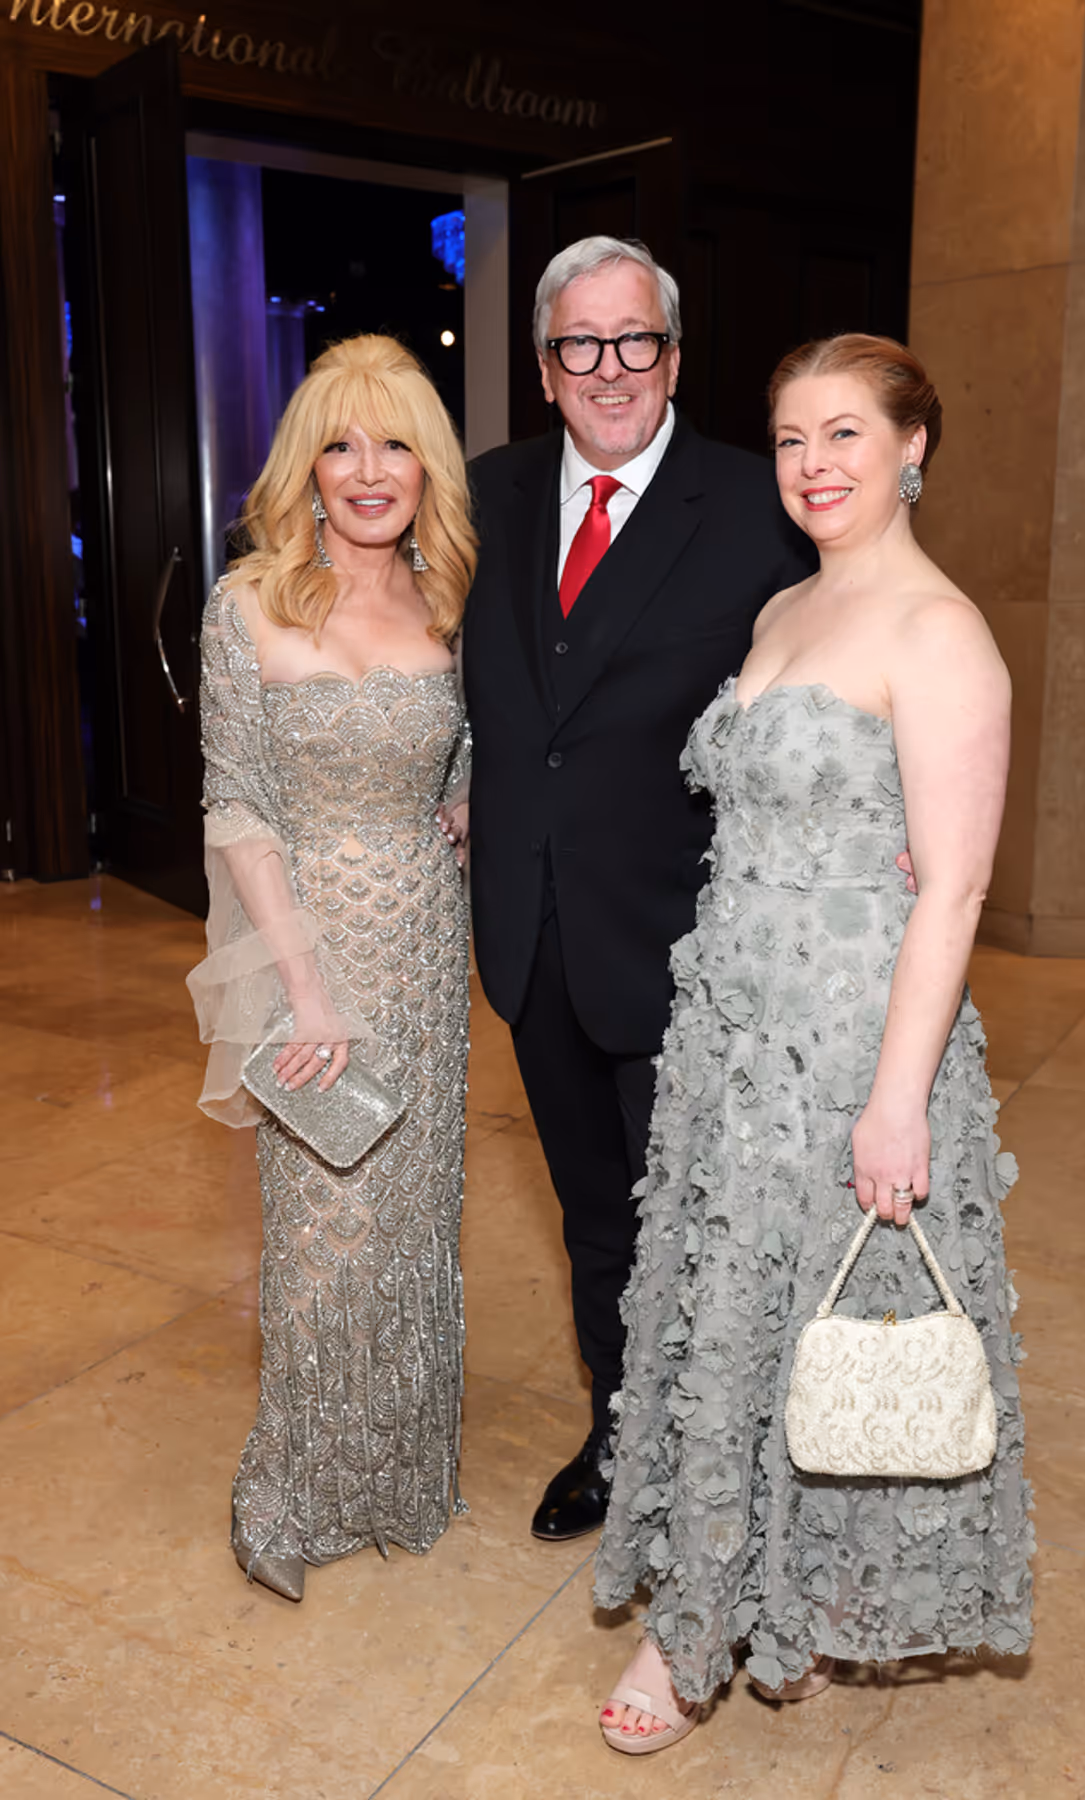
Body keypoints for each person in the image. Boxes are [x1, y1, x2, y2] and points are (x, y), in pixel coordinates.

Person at [591, 333, 1034, 1752]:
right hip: (732, 1036)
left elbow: (953, 887)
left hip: (853, 1041)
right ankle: (734, 1601)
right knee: (735, 1314)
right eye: (790, 439)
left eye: (845, 433)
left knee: (824, 1325)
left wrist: (896, 1101)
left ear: (915, 447)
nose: (813, 464)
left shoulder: (940, 631)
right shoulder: (785, 607)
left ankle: (727, 1624)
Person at [454, 237, 816, 1542]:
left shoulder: (763, 506)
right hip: (533, 933)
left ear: (673, 353)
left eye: (635, 340)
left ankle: (715, 1462)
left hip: (694, 947)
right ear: (544, 367)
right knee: (594, 1217)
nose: (609, 368)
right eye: (579, 344)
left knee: (707, 1227)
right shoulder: (482, 495)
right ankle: (620, 1432)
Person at [187, 335, 477, 1601]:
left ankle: (397, 1474)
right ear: (306, 466)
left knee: (411, 1218)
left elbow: (481, 749)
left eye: (396, 444)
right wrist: (306, 994)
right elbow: (238, 805)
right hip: (305, 947)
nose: (368, 471)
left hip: (424, 947)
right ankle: (294, 1489)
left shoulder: (449, 600)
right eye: (341, 446)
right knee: (319, 1228)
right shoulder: (247, 604)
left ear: (428, 467)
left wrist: (468, 794)